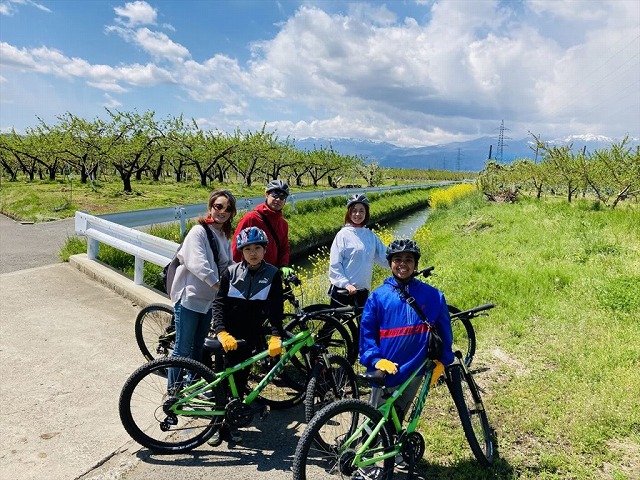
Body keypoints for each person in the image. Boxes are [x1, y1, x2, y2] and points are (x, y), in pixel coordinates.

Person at [359, 238, 455, 422]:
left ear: (415, 264)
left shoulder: (434, 295)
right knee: (375, 420)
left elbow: (444, 330)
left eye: (408, 260)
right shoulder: (378, 296)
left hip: (416, 368)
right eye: (398, 260)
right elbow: (367, 333)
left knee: (399, 416)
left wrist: (443, 360)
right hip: (387, 369)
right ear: (390, 264)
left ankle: (395, 448)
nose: (403, 265)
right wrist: (375, 359)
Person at [212, 226, 285, 443]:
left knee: (240, 380)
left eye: (257, 248)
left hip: (249, 336)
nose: (252, 253)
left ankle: (232, 423)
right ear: (241, 252)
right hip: (226, 335)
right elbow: (219, 303)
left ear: (264, 250)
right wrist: (221, 331)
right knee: (221, 381)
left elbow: (275, 309)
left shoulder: (273, 274)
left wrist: (275, 335)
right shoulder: (231, 272)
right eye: (247, 249)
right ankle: (215, 425)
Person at [168, 190, 236, 388]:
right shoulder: (198, 231)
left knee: (199, 347)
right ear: (210, 207)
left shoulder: (224, 236)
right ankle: (174, 392)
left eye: (228, 208)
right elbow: (198, 264)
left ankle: (192, 384)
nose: (222, 211)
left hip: (208, 301)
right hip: (190, 297)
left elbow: (228, 265)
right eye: (219, 206)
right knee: (182, 349)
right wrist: (219, 286)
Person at [328, 194, 388, 308]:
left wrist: (400, 267)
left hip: (362, 290)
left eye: (361, 211)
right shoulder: (342, 235)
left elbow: (383, 256)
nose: (357, 214)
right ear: (349, 213)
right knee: (334, 323)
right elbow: (335, 264)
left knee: (364, 324)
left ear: (366, 214)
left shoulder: (370, 235)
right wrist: (346, 284)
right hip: (344, 289)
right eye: (354, 211)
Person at [231, 179, 293, 277]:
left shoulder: (283, 224)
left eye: (282, 197)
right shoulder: (251, 218)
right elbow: (236, 248)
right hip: (250, 273)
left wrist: (283, 264)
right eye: (274, 195)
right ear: (266, 195)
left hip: (271, 274)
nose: (278, 200)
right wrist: (234, 272)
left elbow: (284, 248)